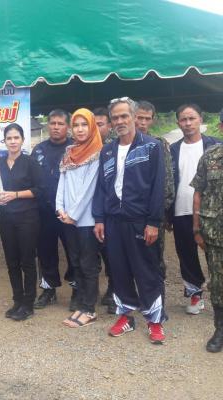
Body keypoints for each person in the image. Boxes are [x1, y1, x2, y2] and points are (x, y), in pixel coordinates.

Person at [93, 97, 167, 344]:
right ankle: (125, 316)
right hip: (114, 221)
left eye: (124, 116)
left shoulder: (152, 147)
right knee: (119, 271)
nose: (120, 121)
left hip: (141, 221)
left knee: (146, 271)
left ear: (134, 117)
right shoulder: (107, 151)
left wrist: (153, 222)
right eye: (115, 118)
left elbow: (158, 187)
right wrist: (99, 218)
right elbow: (101, 188)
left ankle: (154, 320)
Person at [169, 104, 221, 315]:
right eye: (183, 119)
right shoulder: (173, 150)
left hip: (211, 213)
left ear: (201, 119)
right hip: (181, 209)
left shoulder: (215, 146)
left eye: (192, 118)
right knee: (186, 253)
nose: (188, 123)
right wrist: (166, 214)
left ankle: (219, 296)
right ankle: (195, 293)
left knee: (214, 254)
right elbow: (168, 182)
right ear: (178, 123)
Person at [57, 108, 102, 328]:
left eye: (84, 124)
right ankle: (81, 305)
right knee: (75, 262)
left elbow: (89, 189)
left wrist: (73, 215)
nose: (80, 129)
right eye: (76, 125)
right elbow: (62, 181)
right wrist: (60, 208)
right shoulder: (69, 151)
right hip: (67, 218)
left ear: (91, 127)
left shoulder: (97, 151)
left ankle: (89, 309)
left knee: (88, 264)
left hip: (86, 220)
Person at [0, 123, 44, 321]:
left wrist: (15, 194)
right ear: (4, 141)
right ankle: (17, 300)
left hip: (27, 218)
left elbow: (40, 190)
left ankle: (28, 303)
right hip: (6, 218)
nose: (13, 141)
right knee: (11, 261)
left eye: (16, 138)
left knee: (27, 260)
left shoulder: (30, 162)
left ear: (22, 140)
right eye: (9, 138)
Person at [31, 109, 75, 310]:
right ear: (48, 125)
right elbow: (31, 179)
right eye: (53, 123)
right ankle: (48, 290)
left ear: (68, 127)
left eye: (60, 123)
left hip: (69, 211)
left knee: (74, 251)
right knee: (45, 251)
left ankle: (77, 289)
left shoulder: (76, 149)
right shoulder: (38, 150)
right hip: (44, 210)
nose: (56, 127)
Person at [135, 101, 175, 286]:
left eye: (147, 119)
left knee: (154, 257)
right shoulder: (120, 144)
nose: (143, 123)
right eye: (139, 118)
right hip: (129, 214)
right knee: (129, 257)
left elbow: (167, 182)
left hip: (153, 214)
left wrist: (160, 213)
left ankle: (156, 294)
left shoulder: (159, 144)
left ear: (153, 120)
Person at [191, 143, 223, 352]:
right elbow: (198, 193)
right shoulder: (211, 156)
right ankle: (220, 330)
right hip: (215, 234)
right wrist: (196, 229)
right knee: (218, 285)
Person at [93, 107, 117, 313]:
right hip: (87, 210)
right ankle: (89, 292)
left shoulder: (115, 147)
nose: (95, 128)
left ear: (109, 125)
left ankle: (114, 289)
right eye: (92, 124)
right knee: (90, 253)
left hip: (109, 210)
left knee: (111, 253)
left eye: (100, 124)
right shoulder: (81, 146)